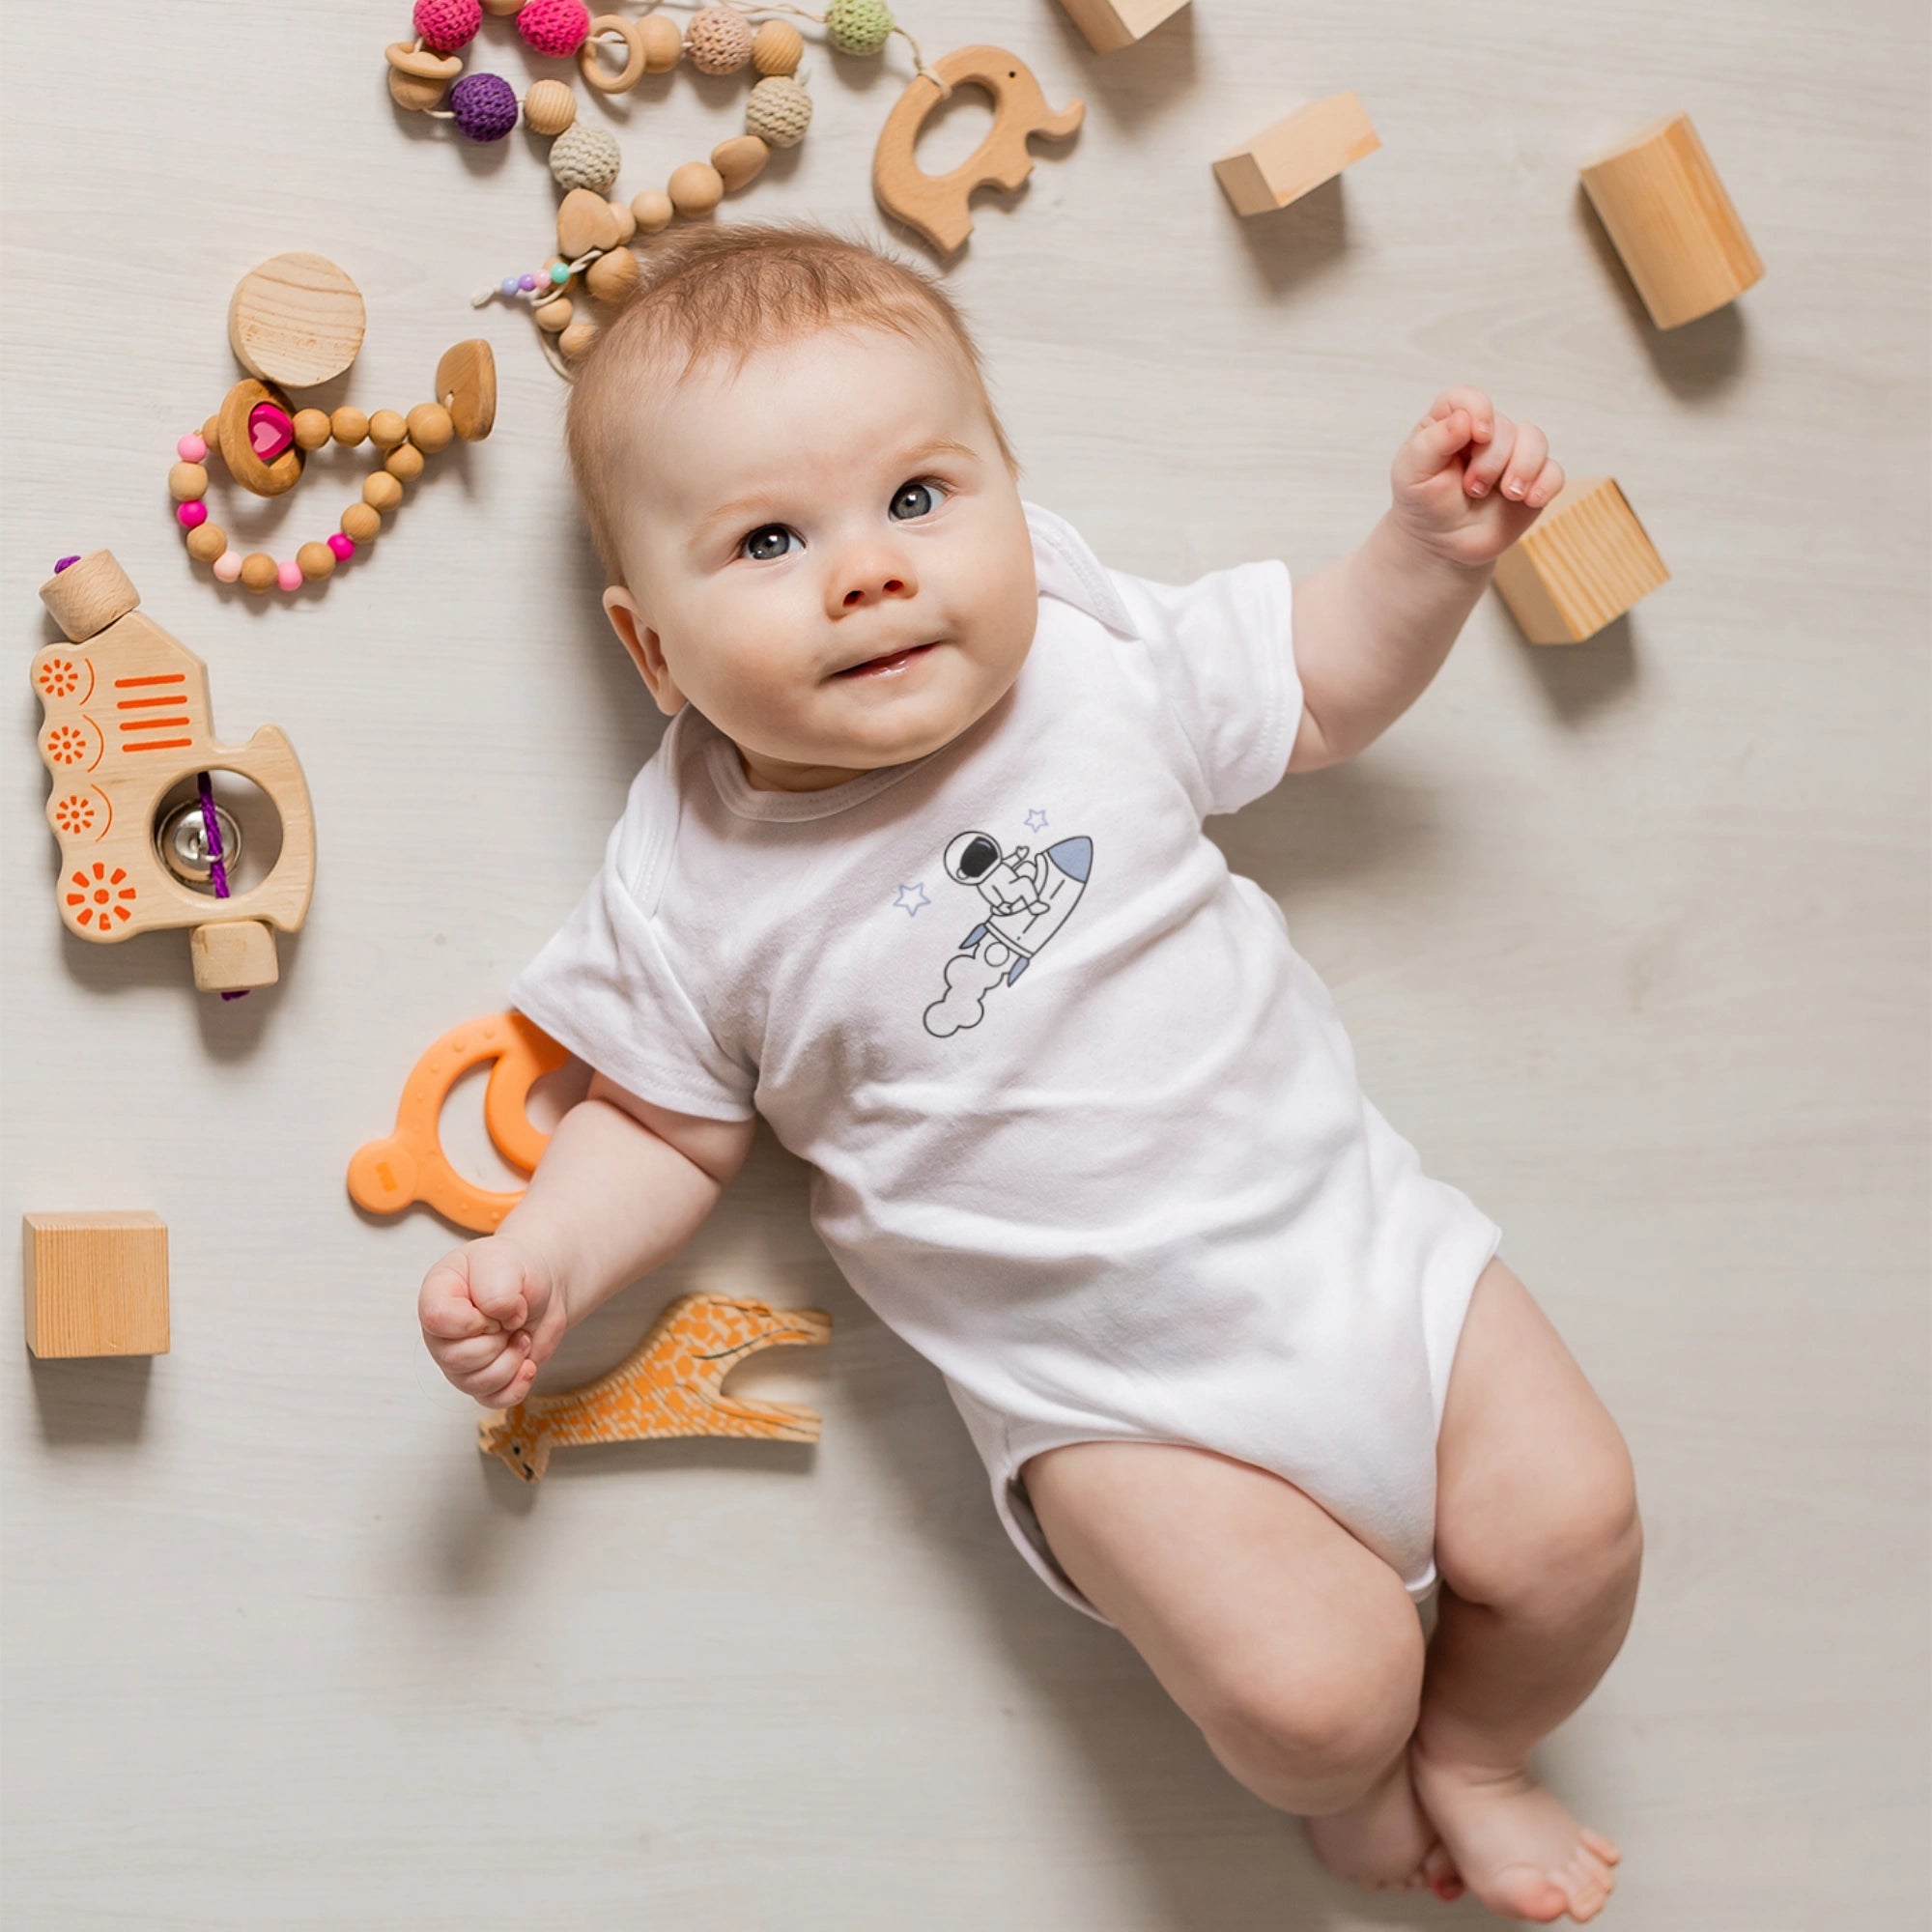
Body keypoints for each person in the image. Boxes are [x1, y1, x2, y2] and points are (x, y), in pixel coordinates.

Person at [418, 222, 1640, 1922]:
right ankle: (1364, 1771)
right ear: (654, 654)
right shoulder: (692, 879)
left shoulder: (1087, 656)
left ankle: (1483, 1751)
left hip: (1368, 1259)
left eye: (920, 498)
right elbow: (666, 1130)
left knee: (1580, 1531)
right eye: (769, 540)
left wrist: (1425, 557)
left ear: (1013, 497)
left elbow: (1314, 690)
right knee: (1312, 1702)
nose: (867, 572)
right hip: (1115, 1402)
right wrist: (545, 1259)